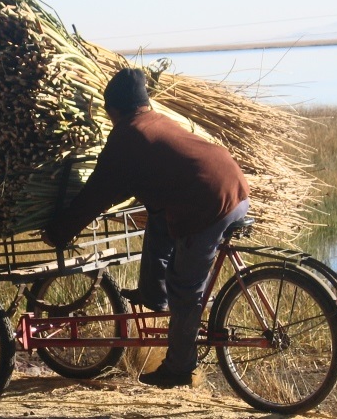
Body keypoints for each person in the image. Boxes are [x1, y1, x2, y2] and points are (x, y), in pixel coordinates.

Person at [40, 67, 250, 388]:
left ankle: (179, 369)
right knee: (158, 216)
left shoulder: (127, 136)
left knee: (185, 287)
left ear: (114, 110)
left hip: (208, 203)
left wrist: (58, 232)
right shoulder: (158, 121)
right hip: (233, 185)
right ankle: (154, 294)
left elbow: (95, 195)